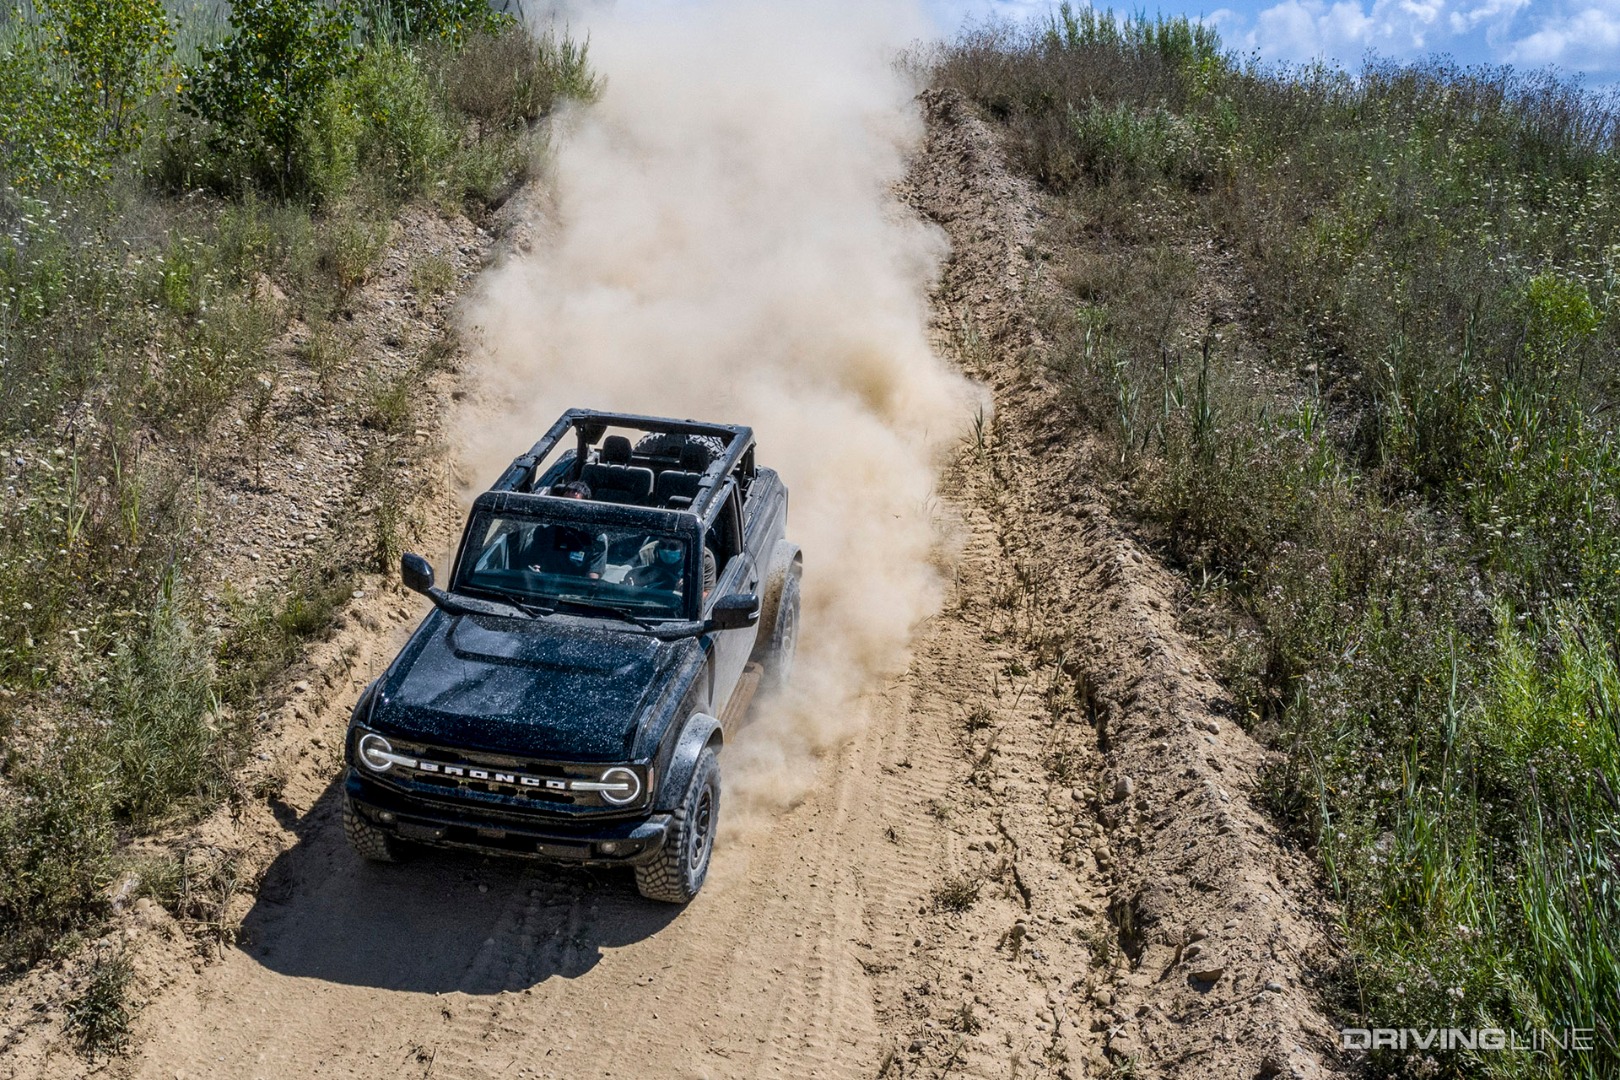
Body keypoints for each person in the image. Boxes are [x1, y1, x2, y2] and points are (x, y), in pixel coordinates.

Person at [524, 481, 606, 579]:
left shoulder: (596, 539)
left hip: (576, 586)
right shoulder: (545, 531)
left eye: (574, 504)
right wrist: (536, 569)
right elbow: (535, 561)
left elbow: (593, 576)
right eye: (566, 503)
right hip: (546, 582)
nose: (569, 508)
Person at [629, 537, 718, 596]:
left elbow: (707, 593)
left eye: (673, 547)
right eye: (662, 545)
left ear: (685, 546)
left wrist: (689, 591)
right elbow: (632, 580)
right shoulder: (646, 554)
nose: (666, 550)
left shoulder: (701, 559)